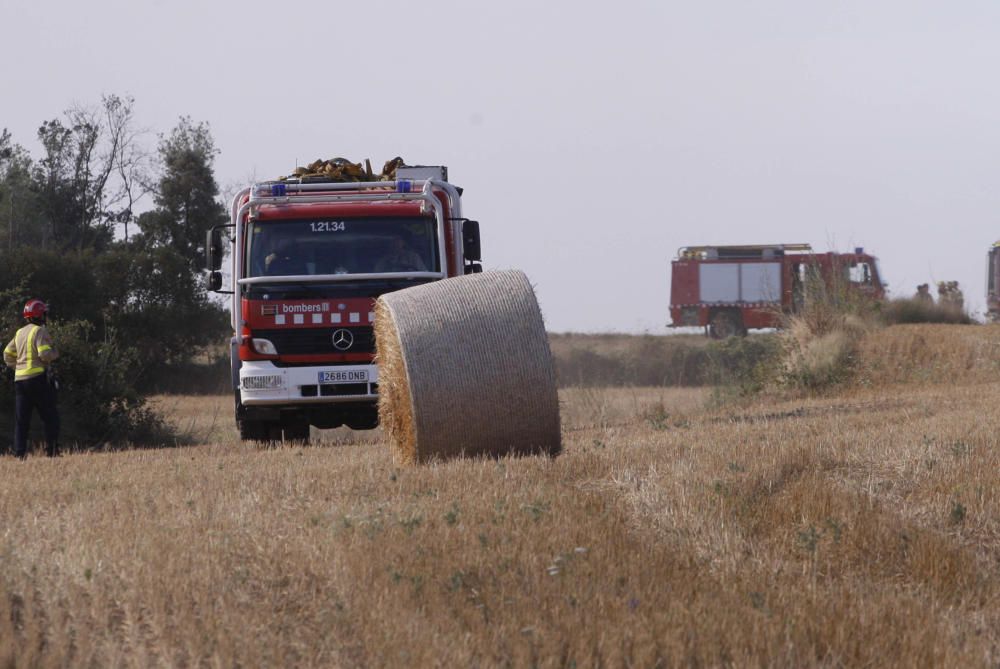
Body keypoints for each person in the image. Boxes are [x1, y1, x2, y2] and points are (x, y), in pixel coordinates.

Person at [3, 299, 60, 458]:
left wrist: (17, 367)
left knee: (21, 421)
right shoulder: (39, 331)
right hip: (37, 380)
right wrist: (55, 352)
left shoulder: (19, 332)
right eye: (44, 313)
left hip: (20, 382)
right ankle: (52, 452)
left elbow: (7, 354)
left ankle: (19, 454)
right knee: (51, 417)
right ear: (39, 315)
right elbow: (45, 355)